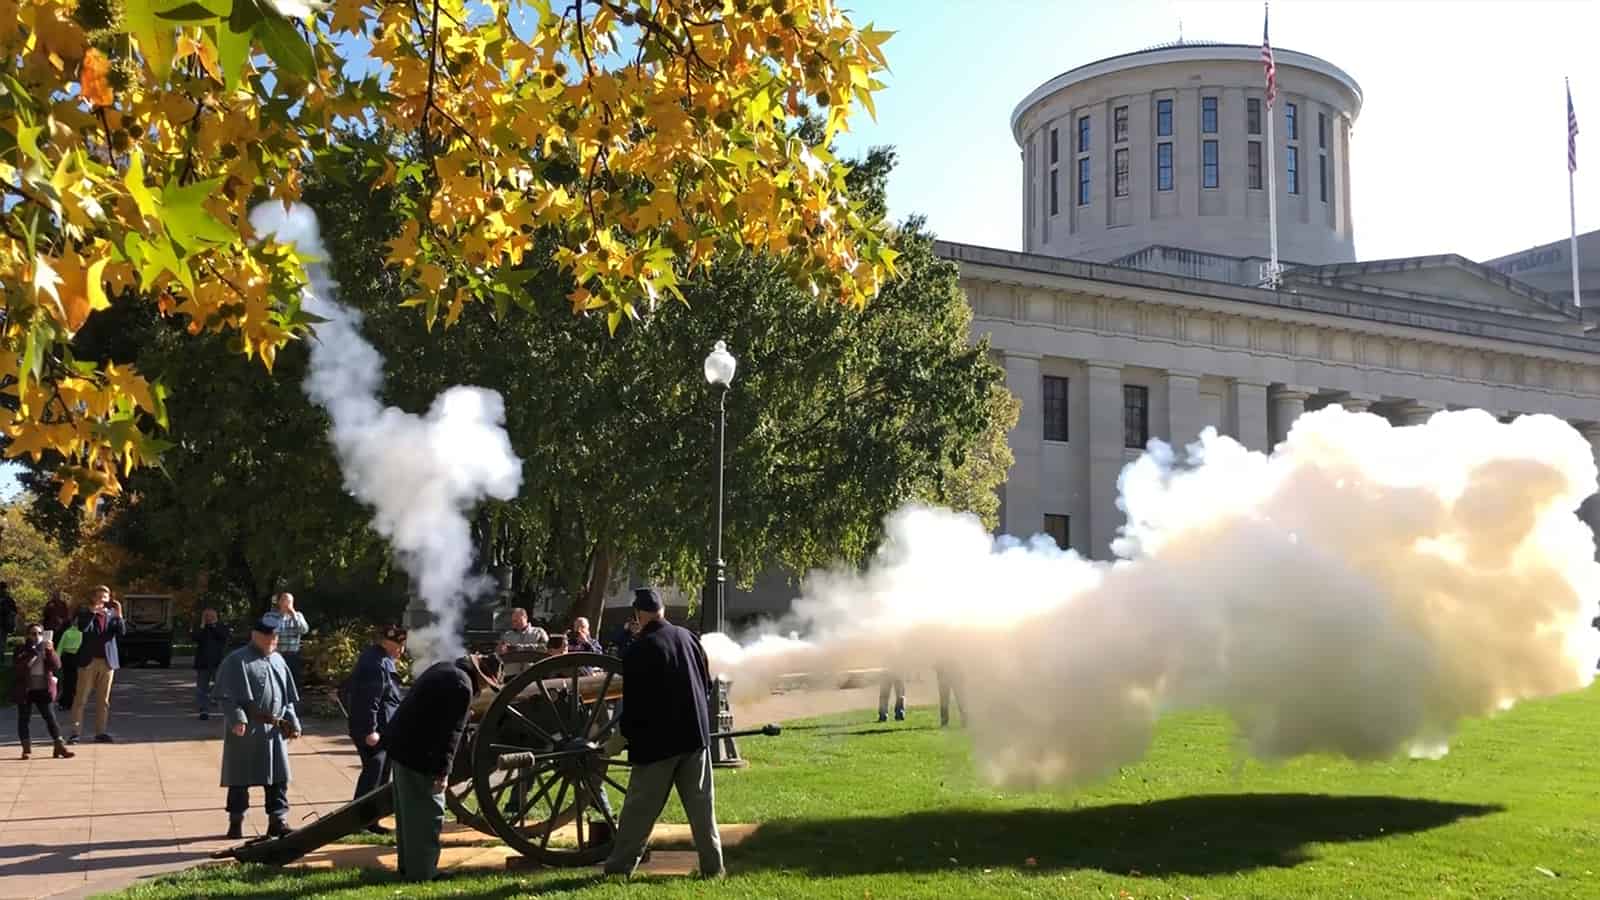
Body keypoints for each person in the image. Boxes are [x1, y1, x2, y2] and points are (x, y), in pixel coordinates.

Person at [603, 587, 723, 878]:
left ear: (639, 615)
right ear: (662, 611)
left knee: (638, 812)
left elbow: (634, 706)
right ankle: (713, 868)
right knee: (703, 811)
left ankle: (619, 870)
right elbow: (706, 684)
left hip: (658, 745)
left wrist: (617, 742)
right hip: (695, 738)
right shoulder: (688, 638)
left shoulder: (639, 650)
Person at [383, 651, 501, 881]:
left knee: (408, 816)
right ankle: (424, 873)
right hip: (420, 754)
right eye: (486, 684)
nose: (484, 690)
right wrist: (442, 773)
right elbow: (450, 735)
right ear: (481, 677)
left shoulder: (446, 669)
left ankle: (409, 868)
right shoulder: (462, 687)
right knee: (429, 814)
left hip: (403, 747)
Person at [216, 616, 301, 840]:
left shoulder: (279, 660)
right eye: (268, 636)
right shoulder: (237, 661)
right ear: (255, 635)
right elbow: (226, 696)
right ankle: (236, 822)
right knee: (239, 778)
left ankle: (278, 821)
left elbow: (287, 698)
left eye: (275, 637)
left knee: (278, 778)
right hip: (248, 731)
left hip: (274, 732)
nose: (272, 641)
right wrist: (237, 719)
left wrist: (293, 722)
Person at [346, 624, 406, 821]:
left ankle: (372, 819)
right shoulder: (375, 663)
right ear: (387, 643)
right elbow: (369, 700)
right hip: (373, 729)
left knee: (381, 775)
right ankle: (359, 818)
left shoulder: (384, 659)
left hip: (384, 728)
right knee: (373, 774)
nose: (401, 650)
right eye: (399, 645)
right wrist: (370, 730)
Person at [68, 586, 125, 744]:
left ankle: (101, 732)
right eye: (99, 596)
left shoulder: (112, 614)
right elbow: (83, 628)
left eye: (105, 596)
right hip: (89, 661)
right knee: (81, 699)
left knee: (103, 700)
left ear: (109, 599)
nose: (102, 599)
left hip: (107, 662)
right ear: (93, 598)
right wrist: (93, 612)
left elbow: (121, 632)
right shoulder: (85, 612)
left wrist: (119, 612)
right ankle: (75, 733)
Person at [12, 623, 75, 760]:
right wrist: (33, 653)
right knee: (24, 719)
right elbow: (18, 669)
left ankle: (59, 746)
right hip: (26, 689)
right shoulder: (21, 649)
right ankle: (26, 749)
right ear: (27, 635)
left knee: (50, 718)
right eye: (33, 634)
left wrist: (50, 651)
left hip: (43, 689)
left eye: (40, 633)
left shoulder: (46, 648)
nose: (37, 637)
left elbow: (57, 665)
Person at [262, 592, 309, 688]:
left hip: (292, 654)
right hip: (275, 654)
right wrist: (281, 616)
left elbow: (304, 630)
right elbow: (266, 631)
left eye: (289, 601)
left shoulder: (298, 616)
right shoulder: (270, 616)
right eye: (284, 600)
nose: (287, 603)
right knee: (275, 682)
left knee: (293, 683)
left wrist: (293, 615)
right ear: (279, 602)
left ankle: (293, 702)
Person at [193, 609, 232, 721]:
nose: (208, 618)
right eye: (206, 616)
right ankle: (203, 709)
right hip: (203, 663)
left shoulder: (221, 627)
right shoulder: (201, 628)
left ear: (216, 617)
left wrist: (213, 626)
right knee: (201, 688)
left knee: (220, 686)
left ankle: (224, 709)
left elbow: (224, 636)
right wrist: (203, 626)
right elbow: (195, 637)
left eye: (211, 616)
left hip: (218, 662)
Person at [496, 607, 547, 679]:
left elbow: (545, 648)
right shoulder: (507, 635)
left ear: (525, 617)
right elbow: (499, 653)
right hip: (510, 675)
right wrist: (500, 650)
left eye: (517, 620)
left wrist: (518, 648)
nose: (514, 623)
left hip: (532, 673)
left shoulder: (538, 632)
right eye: (513, 621)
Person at [55, 607, 88, 712]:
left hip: (79, 657)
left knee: (77, 682)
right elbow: (60, 646)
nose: (77, 621)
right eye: (76, 619)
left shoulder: (85, 632)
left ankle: (74, 702)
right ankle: (65, 702)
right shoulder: (67, 632)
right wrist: (57, 658)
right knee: (68, 681)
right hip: (68, 657)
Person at [935, 665, 966, 729]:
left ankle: (964, 720)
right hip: (944, 673)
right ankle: (944, 722)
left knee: (960, 698)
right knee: (945, 700)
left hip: (954, 672)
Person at [0, 582, 17, 663]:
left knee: (2, 641)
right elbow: (14, 612)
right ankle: (1, 656)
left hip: (4, 624)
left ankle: (1, 656)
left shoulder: (8, 600)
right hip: (4, 624)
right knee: (2, 641)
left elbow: (14, 612)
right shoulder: (9, 599)